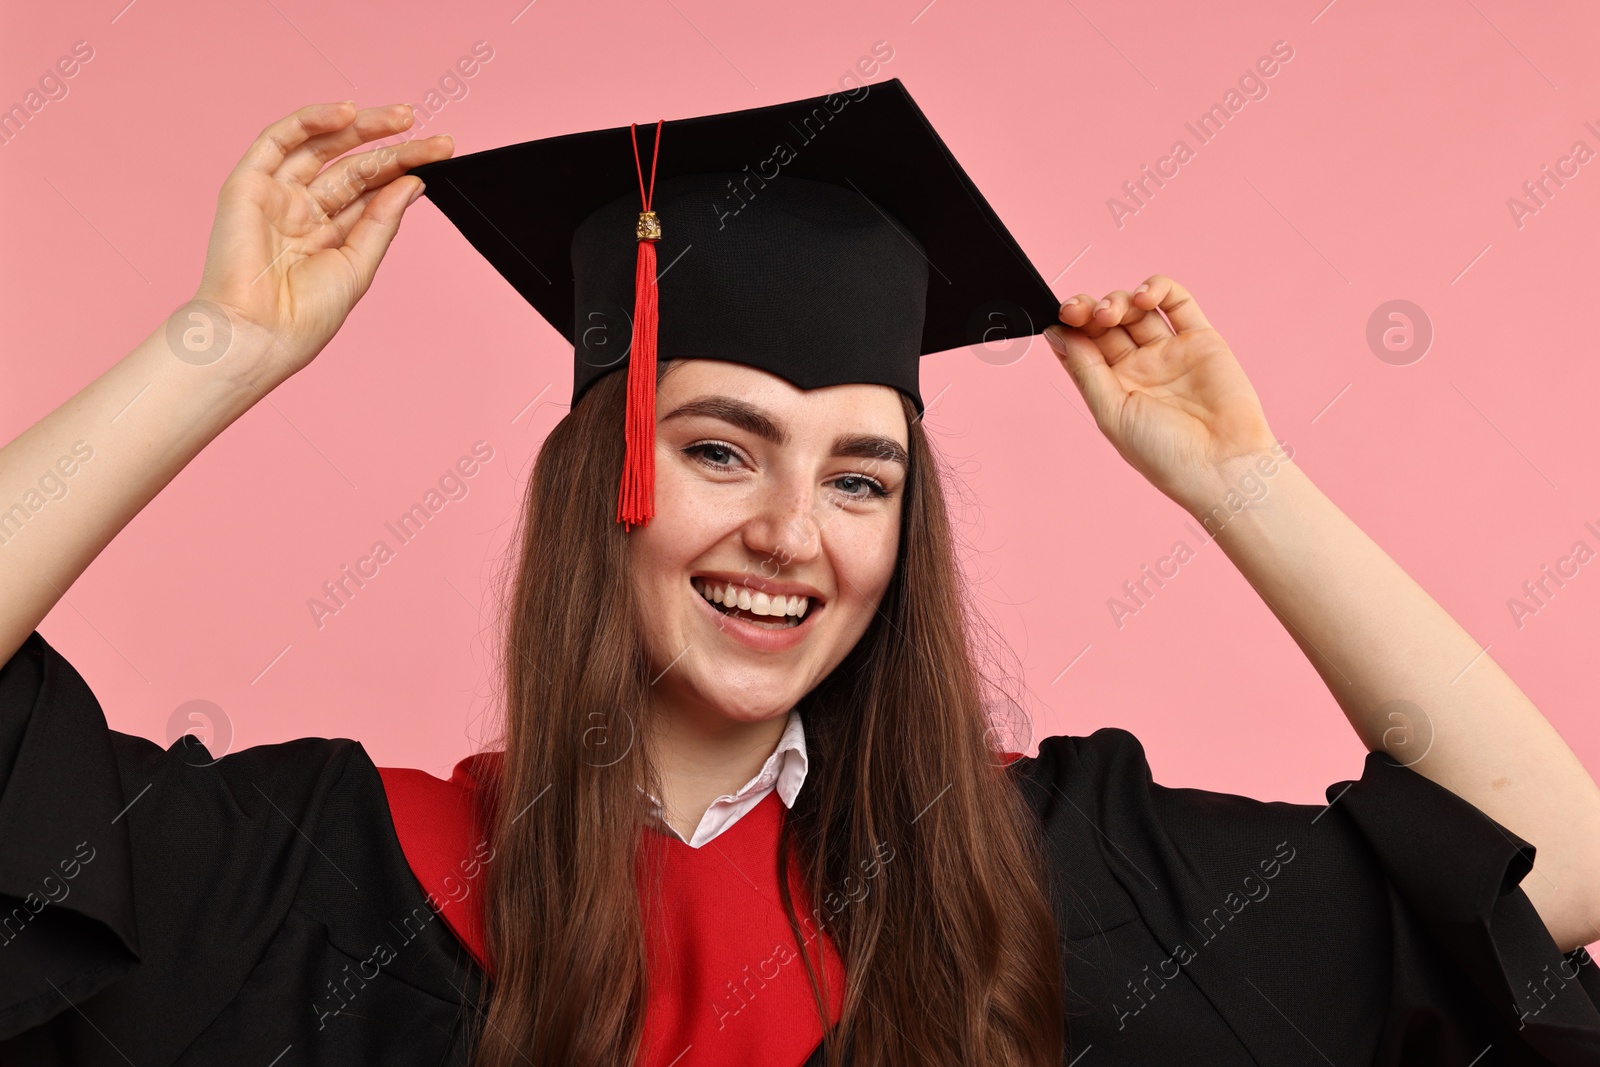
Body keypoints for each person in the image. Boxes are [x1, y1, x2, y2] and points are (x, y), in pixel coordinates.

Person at [1, 77, 1598, 1067]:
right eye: (717, 448)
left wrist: (1240, 483)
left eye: (861, 477)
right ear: (599, 487)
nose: (792, 532)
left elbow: (1556, 862)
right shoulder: (333, 883)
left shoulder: (1038, 888)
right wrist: (218, 350)